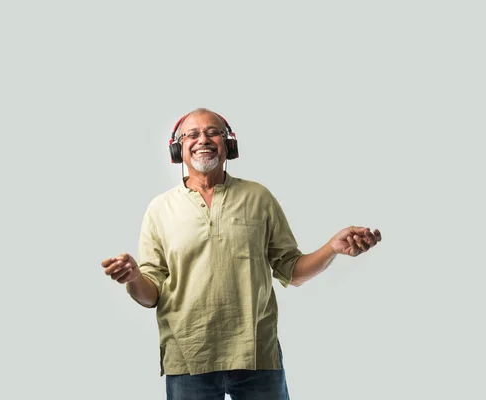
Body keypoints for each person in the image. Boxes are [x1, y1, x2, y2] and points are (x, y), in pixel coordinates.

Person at [101, 108, 382, 400]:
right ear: (177, 148)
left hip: (257, 354)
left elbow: (292, 271)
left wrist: (331, 248)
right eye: (192, 134)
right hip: (188, 357)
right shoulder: (159, 209)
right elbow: (152, 295)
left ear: (228, 144)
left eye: (213, 132)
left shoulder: (258, 197)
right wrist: (133, 277)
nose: (203, 140)